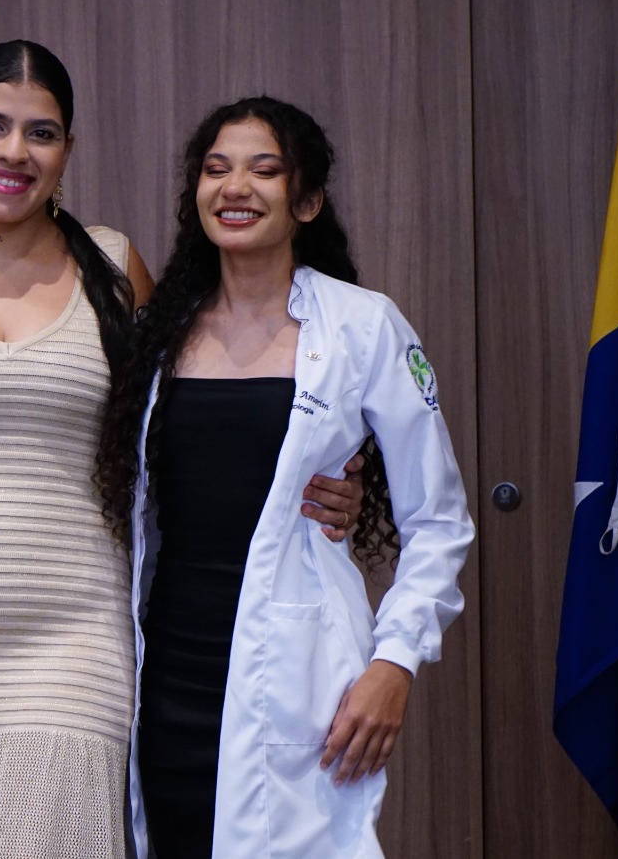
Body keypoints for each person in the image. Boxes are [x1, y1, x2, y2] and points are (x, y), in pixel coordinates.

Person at [0, 43, 365, 858]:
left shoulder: (114, 271)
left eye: (40, 133)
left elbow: (188, 444)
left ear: (67, 151)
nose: (13, 151)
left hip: (68, 651)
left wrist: (318, 486)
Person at [96, 96, 475, 858]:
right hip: (169, 670)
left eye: (263, 170)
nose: (235, 187)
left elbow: (438, 521)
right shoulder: (158, 333)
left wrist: (394, 664)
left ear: (306, 200)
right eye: (216, 169)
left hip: (300, 676)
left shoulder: (362, 326)